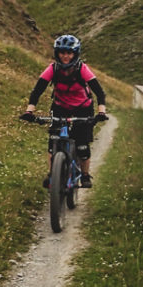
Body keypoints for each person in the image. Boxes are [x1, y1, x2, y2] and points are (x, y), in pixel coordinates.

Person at [21, 34, 107, 188]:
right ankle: (52, 173)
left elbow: (99, 92)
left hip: (83, 108)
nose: (65, 56)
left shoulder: (82, 69)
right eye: (62, 52)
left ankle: (85, 175)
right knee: (53, 142)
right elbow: (37, 90)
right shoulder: (53, 68)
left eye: (69, 53)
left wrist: (101, 112)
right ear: (57, 53)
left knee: (82, 146)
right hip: (60, 107)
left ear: (75, 54)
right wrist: (30, 111)